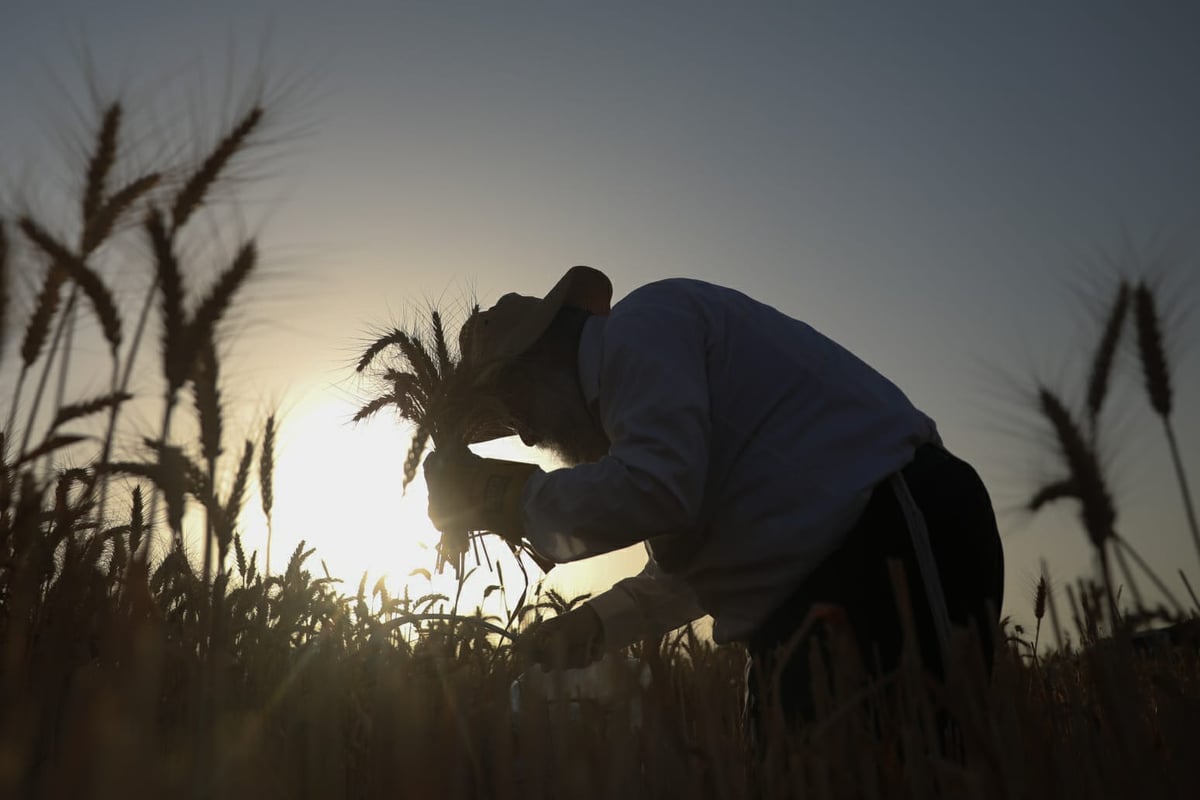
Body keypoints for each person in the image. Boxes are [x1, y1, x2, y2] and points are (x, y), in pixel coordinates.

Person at [423, 265, 1004, 731]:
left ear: (543, 358)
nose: (529, 438)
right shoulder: (647, 410)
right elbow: (691, 564)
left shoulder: (643, 325)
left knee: (909, 772)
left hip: (888, 539)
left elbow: (660, 489)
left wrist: (505, 496)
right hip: (808, 602)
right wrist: (594, 624)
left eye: (517, 411)